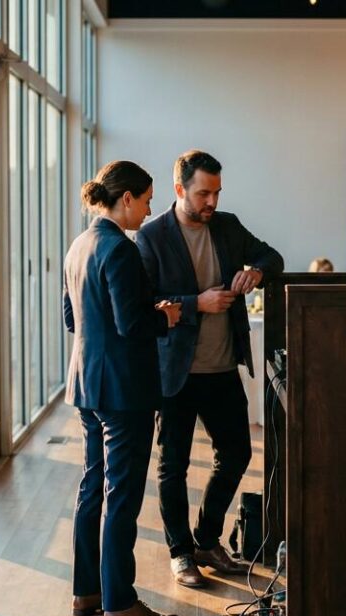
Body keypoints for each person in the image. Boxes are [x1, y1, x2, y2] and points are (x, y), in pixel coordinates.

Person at [135, 150, 284, 588]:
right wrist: (195, 304)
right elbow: (144, 304)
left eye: (217, 192)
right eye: (203, 193)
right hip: (175, 373)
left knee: (237, 454)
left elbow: (272, 256)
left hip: (221, 368)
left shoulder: (228, 226)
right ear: (179, 189)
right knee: (173, 467)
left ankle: (205, 540)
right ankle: (180, 553)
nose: (212, 202)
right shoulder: (151, 236)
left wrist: (256, 273)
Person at [63, 160, 182, 616]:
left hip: (87, 384)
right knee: (122, 494)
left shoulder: (79, 246)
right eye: (147, 200)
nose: (150, 210)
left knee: (93, 486)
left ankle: (86, 592)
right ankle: (120, 603)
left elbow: (72, 319)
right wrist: (165, 317)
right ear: (126, 198)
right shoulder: (120, 249)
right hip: (124, 390)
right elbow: (132, 324)